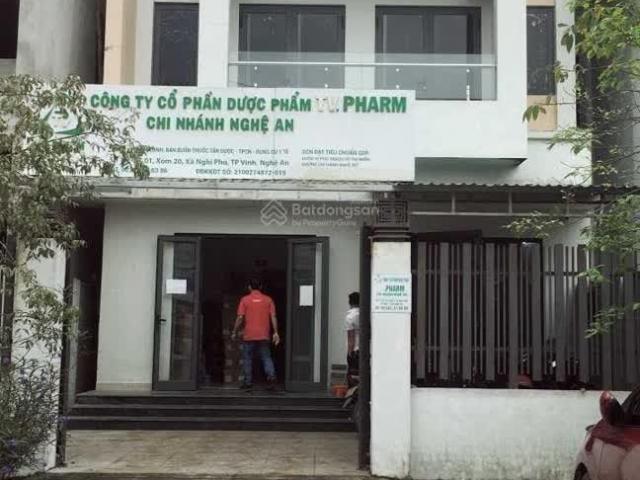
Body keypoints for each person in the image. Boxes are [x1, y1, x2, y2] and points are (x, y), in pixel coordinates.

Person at [232, 278, 280, 391]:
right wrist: (276, 332)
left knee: (247, 358)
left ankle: (248, 382)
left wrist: (234, 331)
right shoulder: (268, 300)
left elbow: (240, 317)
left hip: (249, 335)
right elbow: (273, 316)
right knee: (266, 357)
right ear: (261, 287)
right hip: (264, 335)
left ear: (249, 287)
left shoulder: (245, 300)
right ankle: (271, 379)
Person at [345, 291, 360, 378]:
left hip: (355, 351)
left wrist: (349, 353)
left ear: (350, 302)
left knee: (353, 377)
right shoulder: (364, 314)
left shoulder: (350, 317)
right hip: (363, 350)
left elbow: (351, 337)